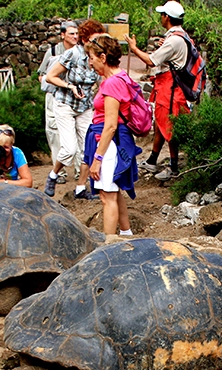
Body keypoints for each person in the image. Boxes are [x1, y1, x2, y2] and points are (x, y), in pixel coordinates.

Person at [125, 1, 190, 181]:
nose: (161, 17)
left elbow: (151, 61)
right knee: (161, 123)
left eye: (162, 14)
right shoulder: (179, 37)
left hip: (170, 88)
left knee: (168, 124)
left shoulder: (174, 40)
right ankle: (153, 159)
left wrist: (134, 48)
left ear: (167, 17)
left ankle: (174, 167)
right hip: (169, 86)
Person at [84, 35, 141, 235]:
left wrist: (97, 159)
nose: (90, 62)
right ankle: (126, 234)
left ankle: (107, 244)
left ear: (102, 57)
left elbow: (110, 126)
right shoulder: (119, 76)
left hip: (108, 144)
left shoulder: (111, 84)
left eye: (91, 57)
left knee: (106, 197)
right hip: (111, 142)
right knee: (115, 192)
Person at [43, 19, 105, 200]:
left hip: (85, 106)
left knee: (89, 148)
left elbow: (102, 81)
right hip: (65, 104)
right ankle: (53, 175)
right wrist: (69, 86)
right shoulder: (73, 54)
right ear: (85, 39)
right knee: (69, 149)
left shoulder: (98, 56)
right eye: (94, 39)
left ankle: (80, 188)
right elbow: (50, 77)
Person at [38, 21, 81, 184]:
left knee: (79, 131)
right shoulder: (53, 52)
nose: (75, 36)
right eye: (71, 33)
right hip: (55, 96)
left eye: (77, 33)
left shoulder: (82, 52)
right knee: (54, 132)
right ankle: (60, 172)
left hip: (75, 96)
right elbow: (41, 75)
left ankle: (80, 170)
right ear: (63, 35)